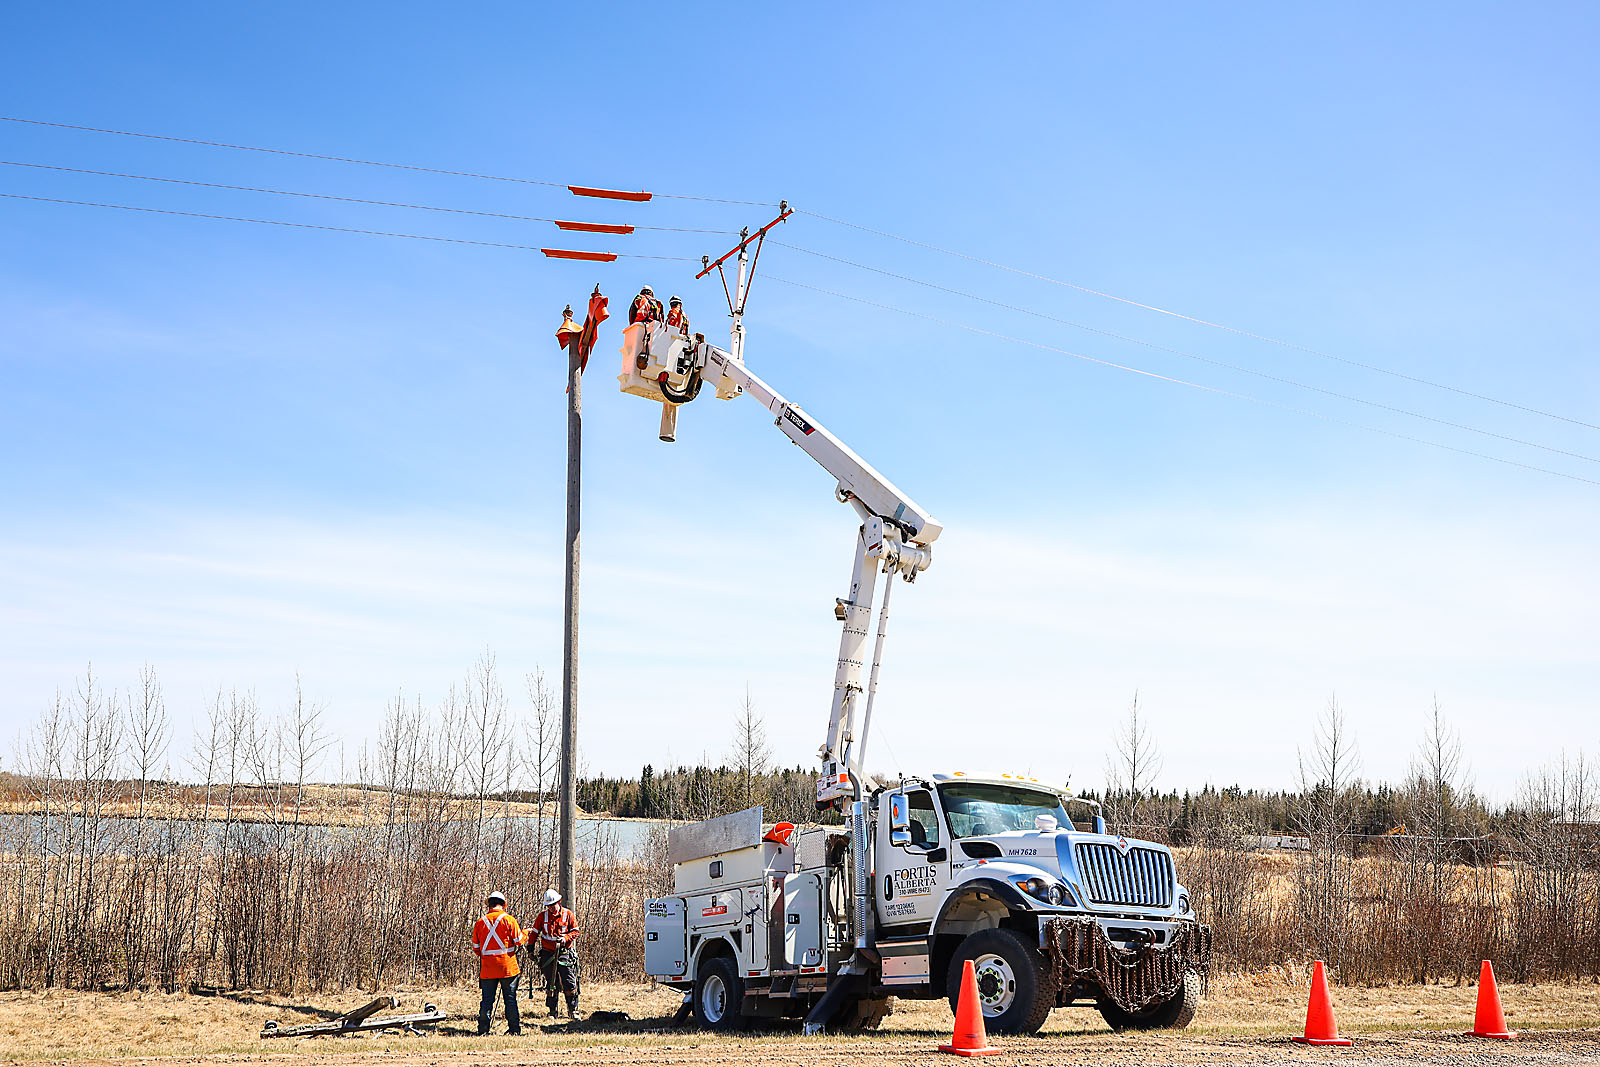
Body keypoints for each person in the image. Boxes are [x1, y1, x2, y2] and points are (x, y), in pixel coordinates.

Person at [470, 891, 524, 1036]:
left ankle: (483, 1030)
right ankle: (514, 1030)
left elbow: (476, 948)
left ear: (489, 905)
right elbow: (519, 941)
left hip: (487, 970)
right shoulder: (509, 920)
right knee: (510, 1000)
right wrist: (526, 933)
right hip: (508, 968)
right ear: (503, 904)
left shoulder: (480, 922)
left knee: (487, 1001)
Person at [528, 888, 582, 1019]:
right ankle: (552, 1011)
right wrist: (530, 948)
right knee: (551, 983)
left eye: (552, 905)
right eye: (548, 906)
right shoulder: (542, 916)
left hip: (564, 954)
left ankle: (573, 1010)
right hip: (548, 954)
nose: (551, 908)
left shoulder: (568, 915)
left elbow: (575, 931)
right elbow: (534, 932)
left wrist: (565, 938)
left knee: (569, 982)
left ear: (559, 901)